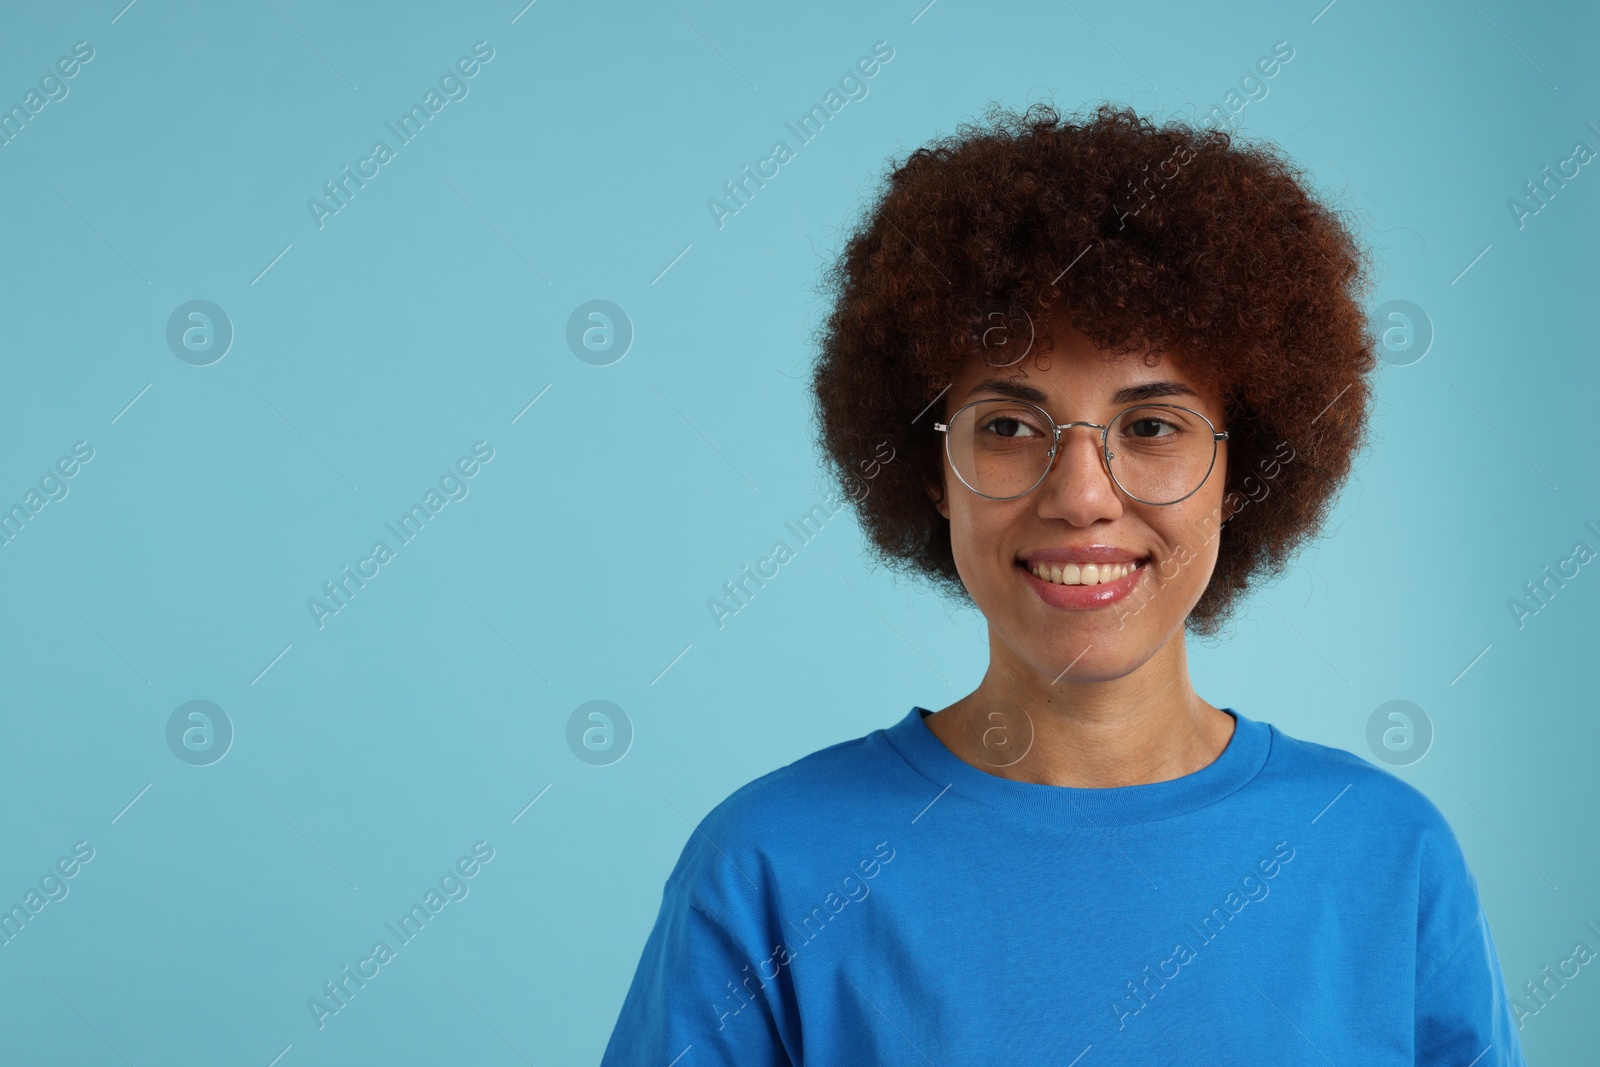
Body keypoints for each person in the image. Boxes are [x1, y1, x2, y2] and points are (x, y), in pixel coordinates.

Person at [600, 102, 1525, 1065]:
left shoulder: (1386, 857)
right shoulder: (770, 870)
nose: (1081, 496)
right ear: (930, 469)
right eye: (1007, 426)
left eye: (1153, 427)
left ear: (1242, 470)